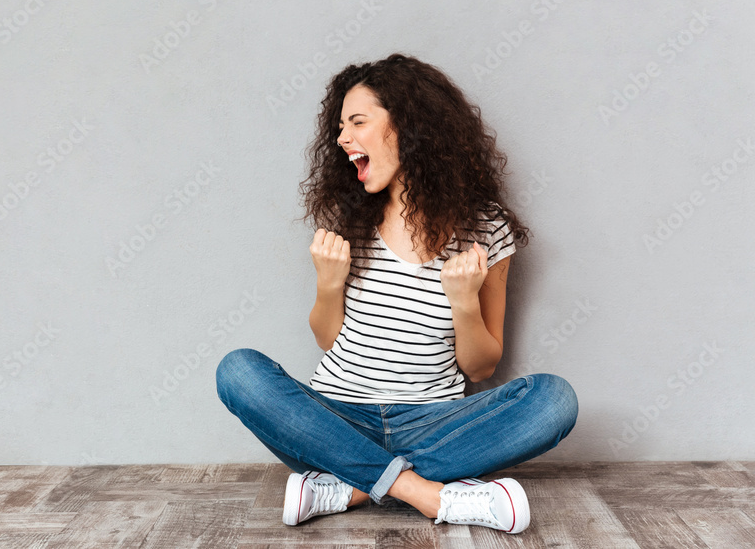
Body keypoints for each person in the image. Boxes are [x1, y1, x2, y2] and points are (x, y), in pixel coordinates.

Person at [215, 53, 578, 534]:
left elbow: (482, 366)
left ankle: (350, 485)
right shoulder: (349, 215)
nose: (342, 138)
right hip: (336, 416)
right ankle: (427, 494)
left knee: (554, 400)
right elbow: (329, 340)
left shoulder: (486, 228)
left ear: (408, 126)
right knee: (238, 371)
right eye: (340, 126)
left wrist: (464, 302)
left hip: (432, 420)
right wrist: (328, 282)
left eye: (358, 122)